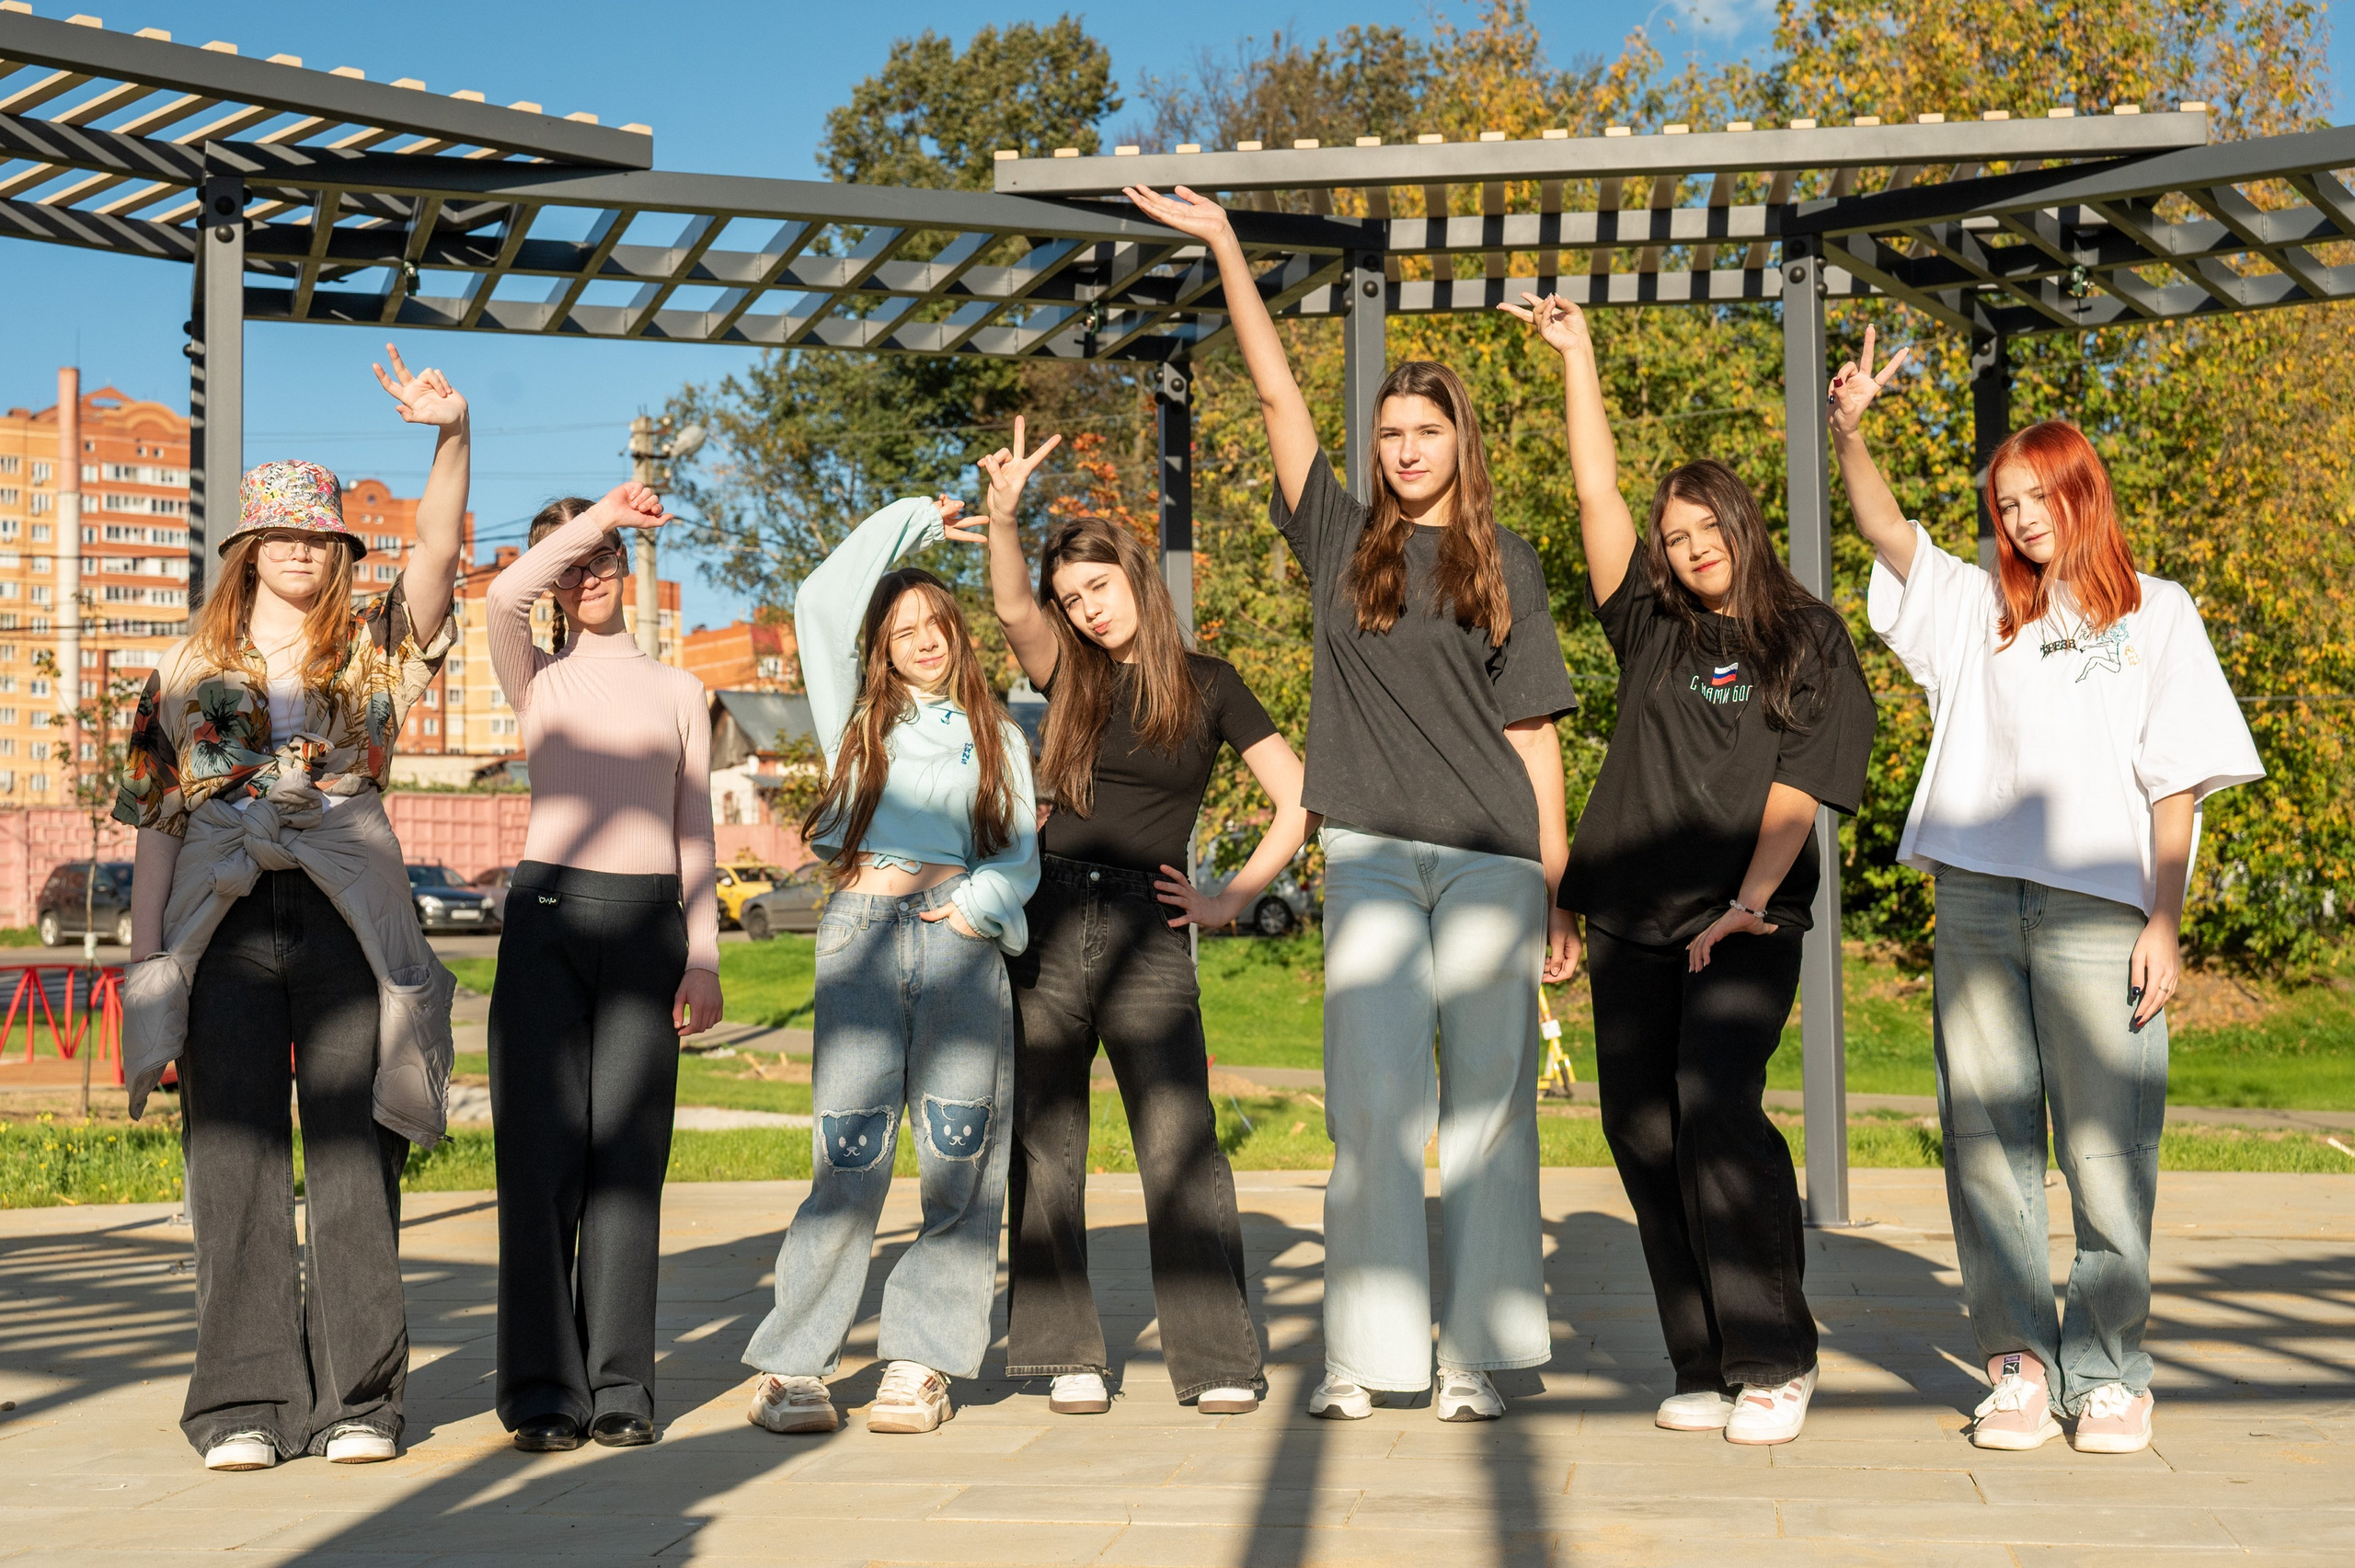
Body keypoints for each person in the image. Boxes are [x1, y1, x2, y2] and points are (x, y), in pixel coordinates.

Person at [1126, 183, 1580, 1423]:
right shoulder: (1339, 539)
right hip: (1372, 856)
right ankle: (1368, 1355)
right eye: (1390, 434)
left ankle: (1473, 1355)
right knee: (1374, 1109)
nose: (1405, 450)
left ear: (1459, 442)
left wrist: (1557, 893)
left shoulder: (1510, 563)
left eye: (1425, 431)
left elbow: (1534, 738)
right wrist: (1227, 243)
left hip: (1493, 860)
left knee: (1488, 1119)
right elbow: (1276, 396)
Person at [1829, 327, 2263, 1456]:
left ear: (2081, 496)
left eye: (2038, 498)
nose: (2021, 519)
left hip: (2098, 912)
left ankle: (2111, 1372)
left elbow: (2177, 784)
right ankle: (2018, 1363)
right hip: (1976, 899)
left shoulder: (2155, 613)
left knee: (2107, 1146)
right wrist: (1849, 430)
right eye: (2005, 502)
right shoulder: (1980, 609)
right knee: (1985, 1136)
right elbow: (1886, 530)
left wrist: (2165, 919)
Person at [1503, 292, 1878, 1446]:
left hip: (1746, 921)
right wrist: (1579, 358)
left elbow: (1799, 788)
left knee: (1717, 1111)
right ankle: (1703, 1358)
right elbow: (1594, 495)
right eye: (1673, 535)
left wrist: (1749, 902)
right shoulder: (1653, 626)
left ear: (1742, 524)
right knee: (1643, 1129)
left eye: (1702, 526)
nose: (1687, 544)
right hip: (1628, 916)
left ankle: (1775, 1353)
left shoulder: (1806, 638)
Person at [116, 347, 468, 1471]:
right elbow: (153, 820)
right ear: (248, 551)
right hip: (218, 926)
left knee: (356, 1152)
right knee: (232, 1156)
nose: (302, 551)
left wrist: (449, 437)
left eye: (320, 536)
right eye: (283, 536)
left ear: (338, 550)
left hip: (343, 917)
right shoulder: (180, 666)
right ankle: (241, 1403)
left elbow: (441, 554)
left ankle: (360, 1399)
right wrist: (146, 970)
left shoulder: (372, 646)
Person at [966, 418, 1313, 1418]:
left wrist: (1232, 899)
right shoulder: (1067, 674)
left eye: (1096, 589)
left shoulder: (1210, 684)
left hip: (1148, 928)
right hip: (1042, 919)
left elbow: (1297, 796)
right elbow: (1008, 604)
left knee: (1179, 1144)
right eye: (1071, 598)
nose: (1082, 609)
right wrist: (1002, 517)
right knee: (1046, 1142)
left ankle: (1216, 1361)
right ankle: (1059, 1350)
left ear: (1134, 579)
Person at [741, 492, 1040, 1437]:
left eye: (935, 625)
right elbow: (822, 597)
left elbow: (1019, 851)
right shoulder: (853, 720)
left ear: (959, 635)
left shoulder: (995, 731)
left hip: (958, 943)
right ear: (881, 645)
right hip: (864, 933)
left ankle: (920, 1362)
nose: (921, 639)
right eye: (902, 628)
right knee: (850, 1153)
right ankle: (793, 1367)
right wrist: (916, 516)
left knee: (960, 1152)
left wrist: (975, 907)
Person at [484, 486, 725, 1454]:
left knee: (628, 1165)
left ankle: (621, 1384)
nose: (586, 574)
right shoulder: (534, 675)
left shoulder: (677, 689)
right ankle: (544, 1391)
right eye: (569, 564)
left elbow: (696, 822)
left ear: (629, 567)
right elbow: (501, 596)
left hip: (647, 930)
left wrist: (703, 950)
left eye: (602, 558)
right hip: (543, 921)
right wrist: (591, 523)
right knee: (538, 1166)